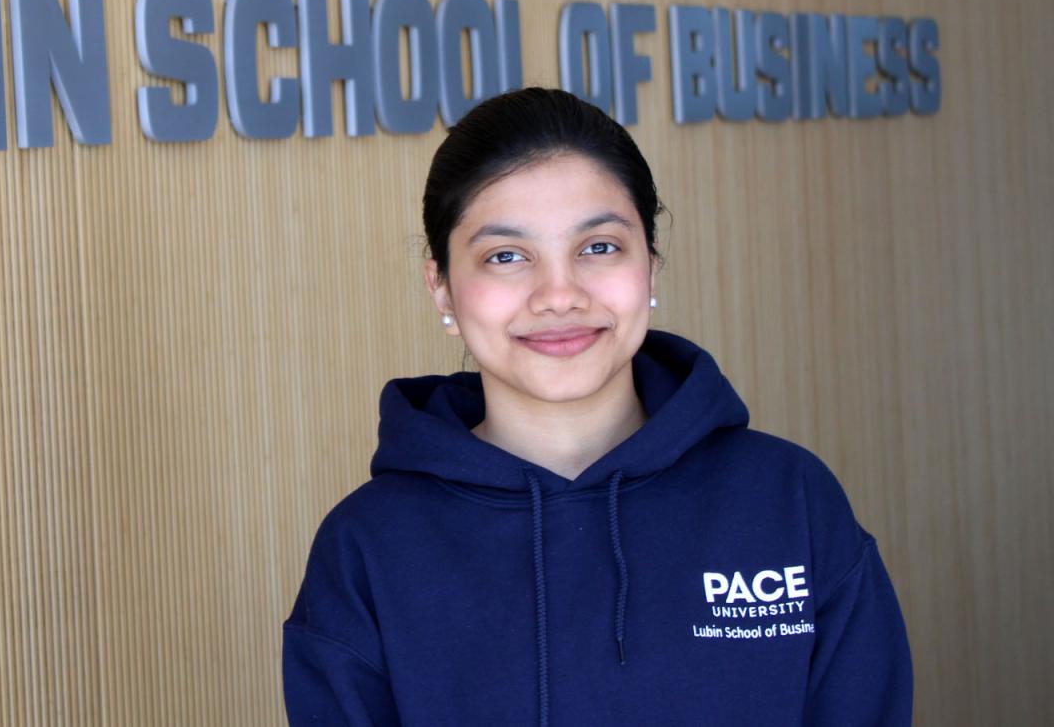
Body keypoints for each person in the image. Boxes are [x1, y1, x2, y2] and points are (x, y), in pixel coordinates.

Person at [281, 88, 912, 725]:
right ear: (441, 285)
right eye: (505, 256)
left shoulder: (788, 501)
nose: (559, 295)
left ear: (652, 265)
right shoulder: (368, 548)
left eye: (600, 247)